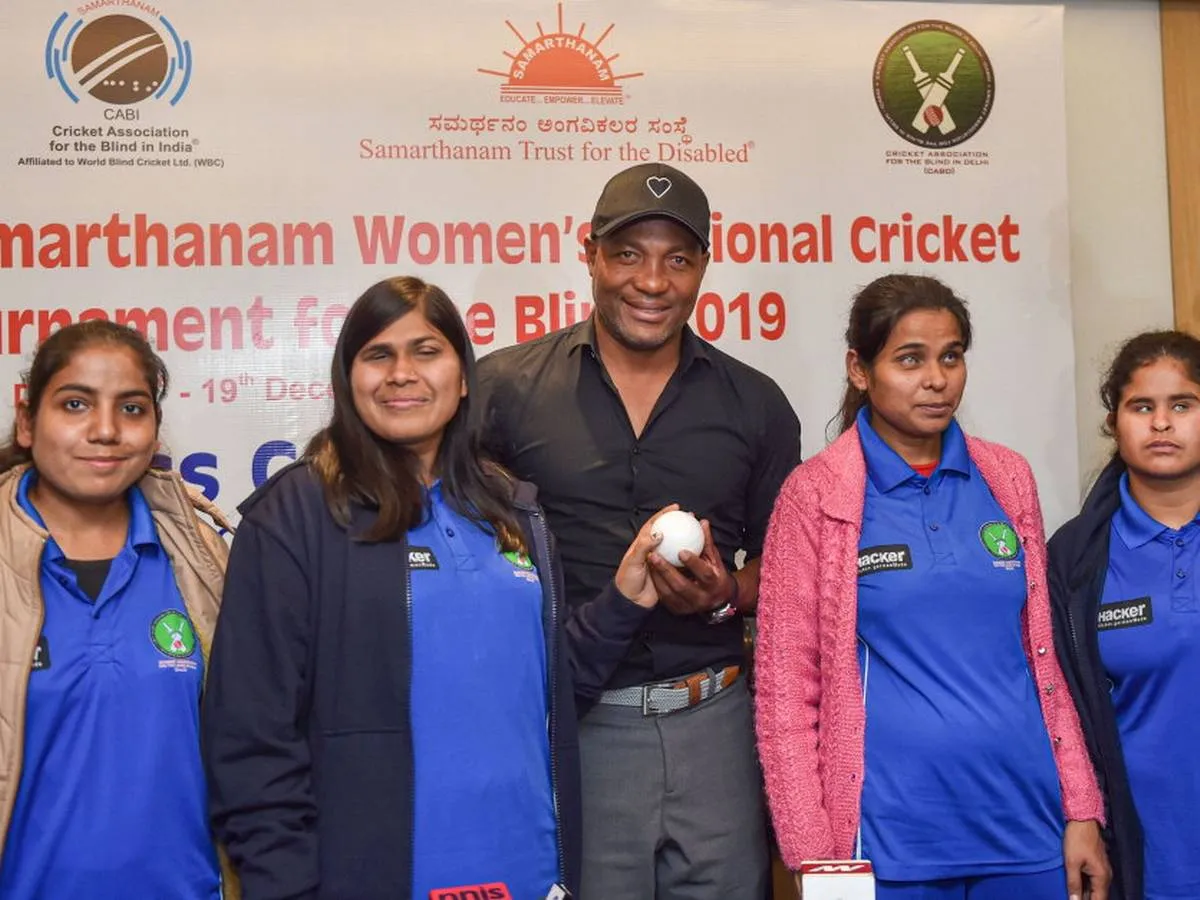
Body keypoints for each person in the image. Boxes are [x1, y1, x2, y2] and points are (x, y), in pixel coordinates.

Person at [202, 276, 667, 900]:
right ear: (348, 378)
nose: (402, 374)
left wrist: (623, 602)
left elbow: (546, 691)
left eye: (426, 351)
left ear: (464, 375)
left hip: (531, 873)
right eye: (378, 354)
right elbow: (251, 738)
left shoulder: (512, 511)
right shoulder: (299, 517)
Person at [475, 163, 801, 898]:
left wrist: (725, 595)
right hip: (576, 728)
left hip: (715, 722)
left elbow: (791, 572)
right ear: (588, 253)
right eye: (628, 254)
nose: (652, 281)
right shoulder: (502, 390)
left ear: (703, 270)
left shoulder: (755, 405)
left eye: (677, 260)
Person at [755, 274, 1110, 900]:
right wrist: (815, 860)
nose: (936, 379)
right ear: (859, 370)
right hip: (888, 844)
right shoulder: (816, 495)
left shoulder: (1006, 477)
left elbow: (1043, 663)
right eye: (910, 359)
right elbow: (787, 696)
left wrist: (1080, 808)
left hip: (1027, 827)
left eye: (951, 356)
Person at [0, 320, 237, 899]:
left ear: (155, 431)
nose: (105, 431)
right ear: (28, 422)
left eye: (131, 409)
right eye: (75, 404)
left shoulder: (204, 560)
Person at [1049, 330, 1200, 900]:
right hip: (1141, 854)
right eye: (1143, 406)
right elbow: (1055, 706)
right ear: (1115, 422)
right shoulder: (1074, 558)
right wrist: (1080, 816)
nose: (1162, 423)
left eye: (1182, 405)